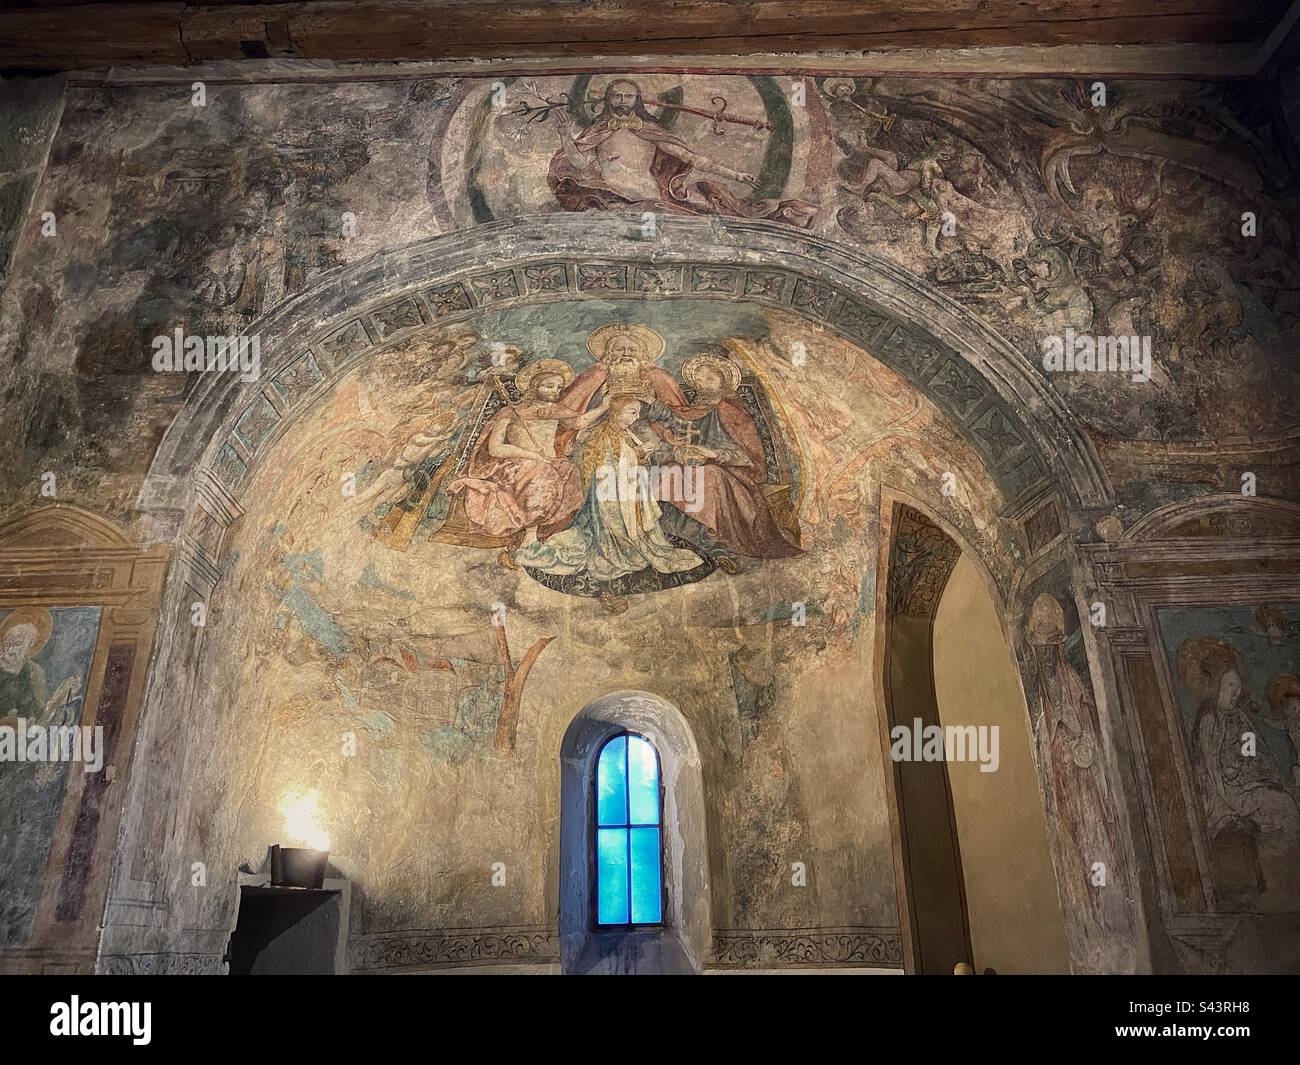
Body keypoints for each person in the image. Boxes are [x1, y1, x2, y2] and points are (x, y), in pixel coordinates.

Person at [548, 78, 816, 226]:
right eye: (617, 96)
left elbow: (692, 158)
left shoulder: (650, 131)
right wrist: (564, 136)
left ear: (637, 101)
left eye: (627, 96)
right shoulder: (599, 131)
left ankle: (786, 214)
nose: (621, 101)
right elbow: (579, 162)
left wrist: (735, 173)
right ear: (608, 99)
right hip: (609, 192)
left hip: (644, 192)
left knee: (716, 207)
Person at [513, 395, 701, 583]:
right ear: (617, 412)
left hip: (626, 493)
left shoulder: (626, 433)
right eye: (632, 412)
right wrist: (639, 453)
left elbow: (631, 465)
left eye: (638, 413)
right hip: (608, 499)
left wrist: (642, 455)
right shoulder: (603, 434)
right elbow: (606, 469)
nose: (636, 418)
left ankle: (637, 539)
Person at [448, 359, 611, 545]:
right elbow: (495, 448)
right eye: (549, 386)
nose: (555, 391)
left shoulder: (557, 410)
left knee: (571, 470)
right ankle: (529, 531)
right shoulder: (511, 412)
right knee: (541, 471)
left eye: (558, 387)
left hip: (549, 462)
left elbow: (578, 423)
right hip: (515, 464)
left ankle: (545, 529)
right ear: (534, 386)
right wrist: (530, 455)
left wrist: (604, 407)